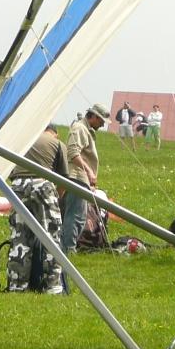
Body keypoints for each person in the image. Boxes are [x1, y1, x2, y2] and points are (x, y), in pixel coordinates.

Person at [6, 125, 69, 294]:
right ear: (55, 134)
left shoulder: (25, 139)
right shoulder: (57, 144)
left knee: (20, 239)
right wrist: (57, 198)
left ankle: (17, 285)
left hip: (18, 186)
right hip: (43, 185)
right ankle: (53, 286)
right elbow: (64, 179)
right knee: (51, 237)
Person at [60, 103, 110, 254]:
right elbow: (73, 152)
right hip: (77, 177)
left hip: (80, 178)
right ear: (93, 116)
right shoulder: (80, 128)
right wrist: (88, 172)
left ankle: (66, 247)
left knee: (77, 216)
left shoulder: (84, 129)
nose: (102, 125)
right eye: (101, 121)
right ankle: (68, 250)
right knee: (76, 216)